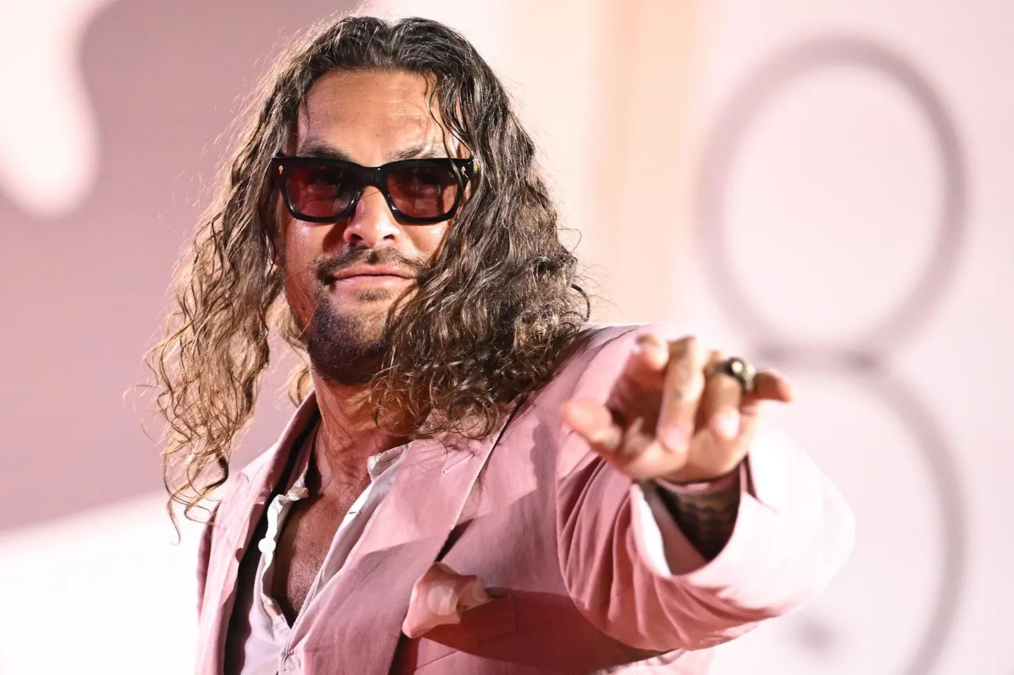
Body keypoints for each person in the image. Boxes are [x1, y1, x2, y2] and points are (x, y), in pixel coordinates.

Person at [147, 14, 853, 675]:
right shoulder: (242, 518)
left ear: (483, 225)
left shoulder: (582, 416)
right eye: (326, 182)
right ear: (273, 225)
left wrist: (700, 489)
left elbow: (737, 576)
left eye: (422, 184)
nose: (371, 224)